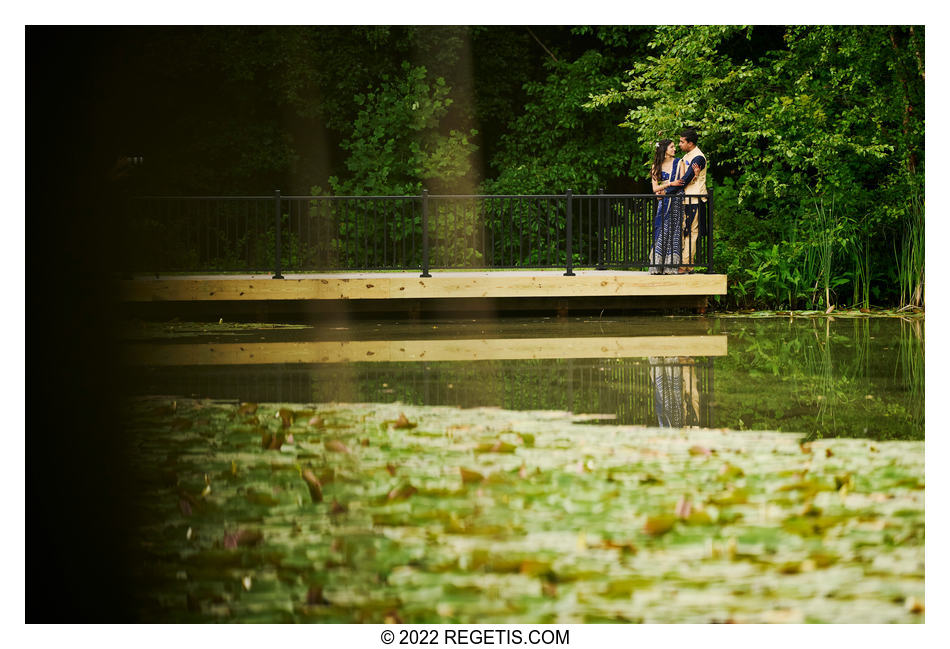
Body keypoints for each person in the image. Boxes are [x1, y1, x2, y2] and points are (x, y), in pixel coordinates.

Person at [662, 127, 709, 273]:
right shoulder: (687, 156)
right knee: (685, 231)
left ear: (690, 143)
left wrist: (667, 191)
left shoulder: (698, 158)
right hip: (684, 199)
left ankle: (684, 265)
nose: (680, 144)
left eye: (682, 142)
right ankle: (689, 265)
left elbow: (686, 179)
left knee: (691, 232)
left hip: (694, 198)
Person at [649, 139, 687, 274]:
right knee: (662, 230)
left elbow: (681, 183)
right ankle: (657, 265)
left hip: (676, 200)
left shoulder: (679, 163)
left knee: (674, 232)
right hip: (664, 201)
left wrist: (666, 189)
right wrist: (668, 185)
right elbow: (655, 188)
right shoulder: (656, 166)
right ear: (664, 149)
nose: (674, 149)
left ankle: (670, 267)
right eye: (671, 147)